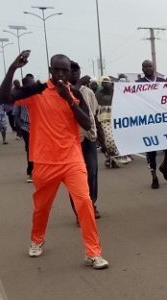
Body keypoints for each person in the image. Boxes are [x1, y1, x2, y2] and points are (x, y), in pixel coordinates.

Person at [0, 50, 109, 269]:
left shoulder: (74, 93)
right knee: (42, 207)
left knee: (84, 203)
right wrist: (12, 69)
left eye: (64, 70)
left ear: (69, 72)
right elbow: (3, 98)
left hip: (72, 160)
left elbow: (87, 124)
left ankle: (93, 253)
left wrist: (69, 100)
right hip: (45, 162)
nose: (60, 74)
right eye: (56, 70)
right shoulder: (37, 91)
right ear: (50, 70)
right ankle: (37, 239)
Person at [68, 61, 102, 219]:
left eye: (77, 71)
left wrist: (102, 138)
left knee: (92, 172)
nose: (74, 74)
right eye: (71, 71)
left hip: (89, 137)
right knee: (75, 176)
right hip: (71, 140)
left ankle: (91, 203)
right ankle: (79, 210)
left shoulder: (88, 92)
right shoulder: (63, 92)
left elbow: (94, 116)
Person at [136, 59, 167, 189]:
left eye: (150, 66)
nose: (148, 68)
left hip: (163, 121)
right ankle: (154, 177)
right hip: (148, 122)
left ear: (154, 67)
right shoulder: (138, 84)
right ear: (142, 69)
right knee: (151, 152)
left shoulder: (163, 82)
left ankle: (164, 165)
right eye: (145, 66)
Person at [13, 76, 35, 182]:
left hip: (39, 127)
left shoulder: (39, 95)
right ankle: (31, 172)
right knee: (30, 150)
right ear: (25, 85)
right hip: (26, 127)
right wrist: (21, 127)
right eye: (32, 84)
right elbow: (15, 114)